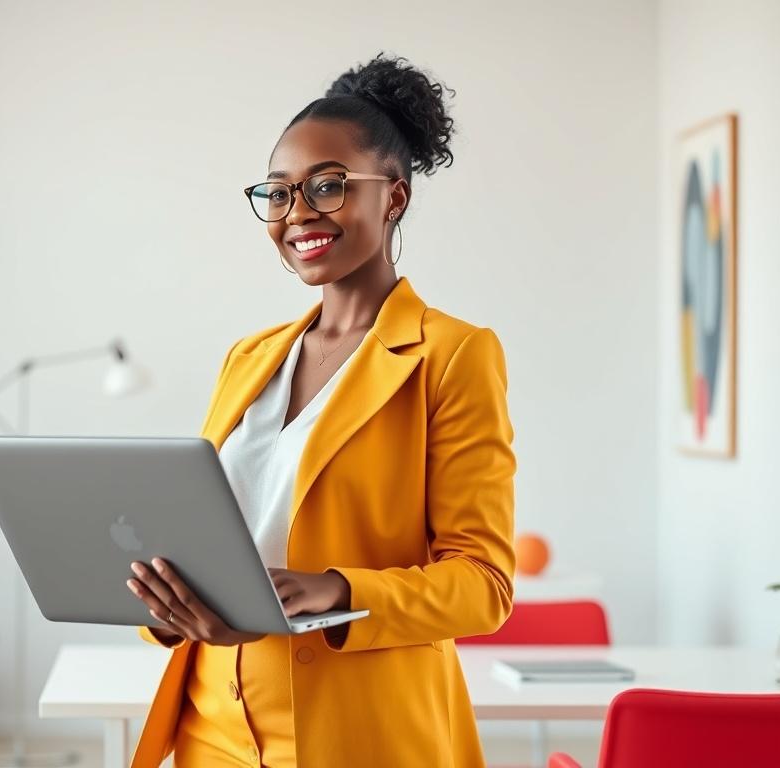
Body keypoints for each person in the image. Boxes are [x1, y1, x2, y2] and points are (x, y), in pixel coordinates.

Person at [124, 51, 516, 768]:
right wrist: (170, 608)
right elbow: (213, 532)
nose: (297, 212)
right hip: (212, 731)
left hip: (361, 735)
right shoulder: (248, 358)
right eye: (278, 193)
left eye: (328, 186)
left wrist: (336, 590)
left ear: (393, 197)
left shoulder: (452, 355)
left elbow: (483, 585)